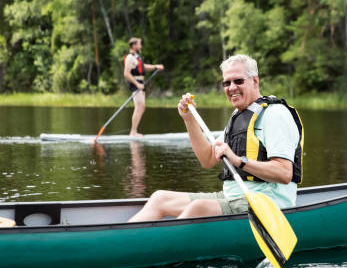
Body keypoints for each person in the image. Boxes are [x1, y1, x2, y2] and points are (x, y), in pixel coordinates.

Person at [128, 54, 303, 222]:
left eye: (238, 81)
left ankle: (150, 248)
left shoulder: (275, 114)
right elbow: (207, 159)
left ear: (255, 81)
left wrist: (238, 160)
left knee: (199, 209)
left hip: (266, 203)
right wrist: (189, 119)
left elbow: (284, 172)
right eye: (226, 83)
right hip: (233, 198)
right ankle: (126, 242)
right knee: (160, 198)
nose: (231, 87)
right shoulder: (239, 116)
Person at [123, 38, 164, 137]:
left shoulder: (137, 57)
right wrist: (137, 84)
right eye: (139, 44)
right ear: (133, 45)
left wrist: (155, 67)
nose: (141, 46)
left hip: (140, 83)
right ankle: (133, 132)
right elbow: (126, 74)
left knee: (141, 107)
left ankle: (134, 131)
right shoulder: (129, 57)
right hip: (136, 83)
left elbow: (143, 66)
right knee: (139, 107)